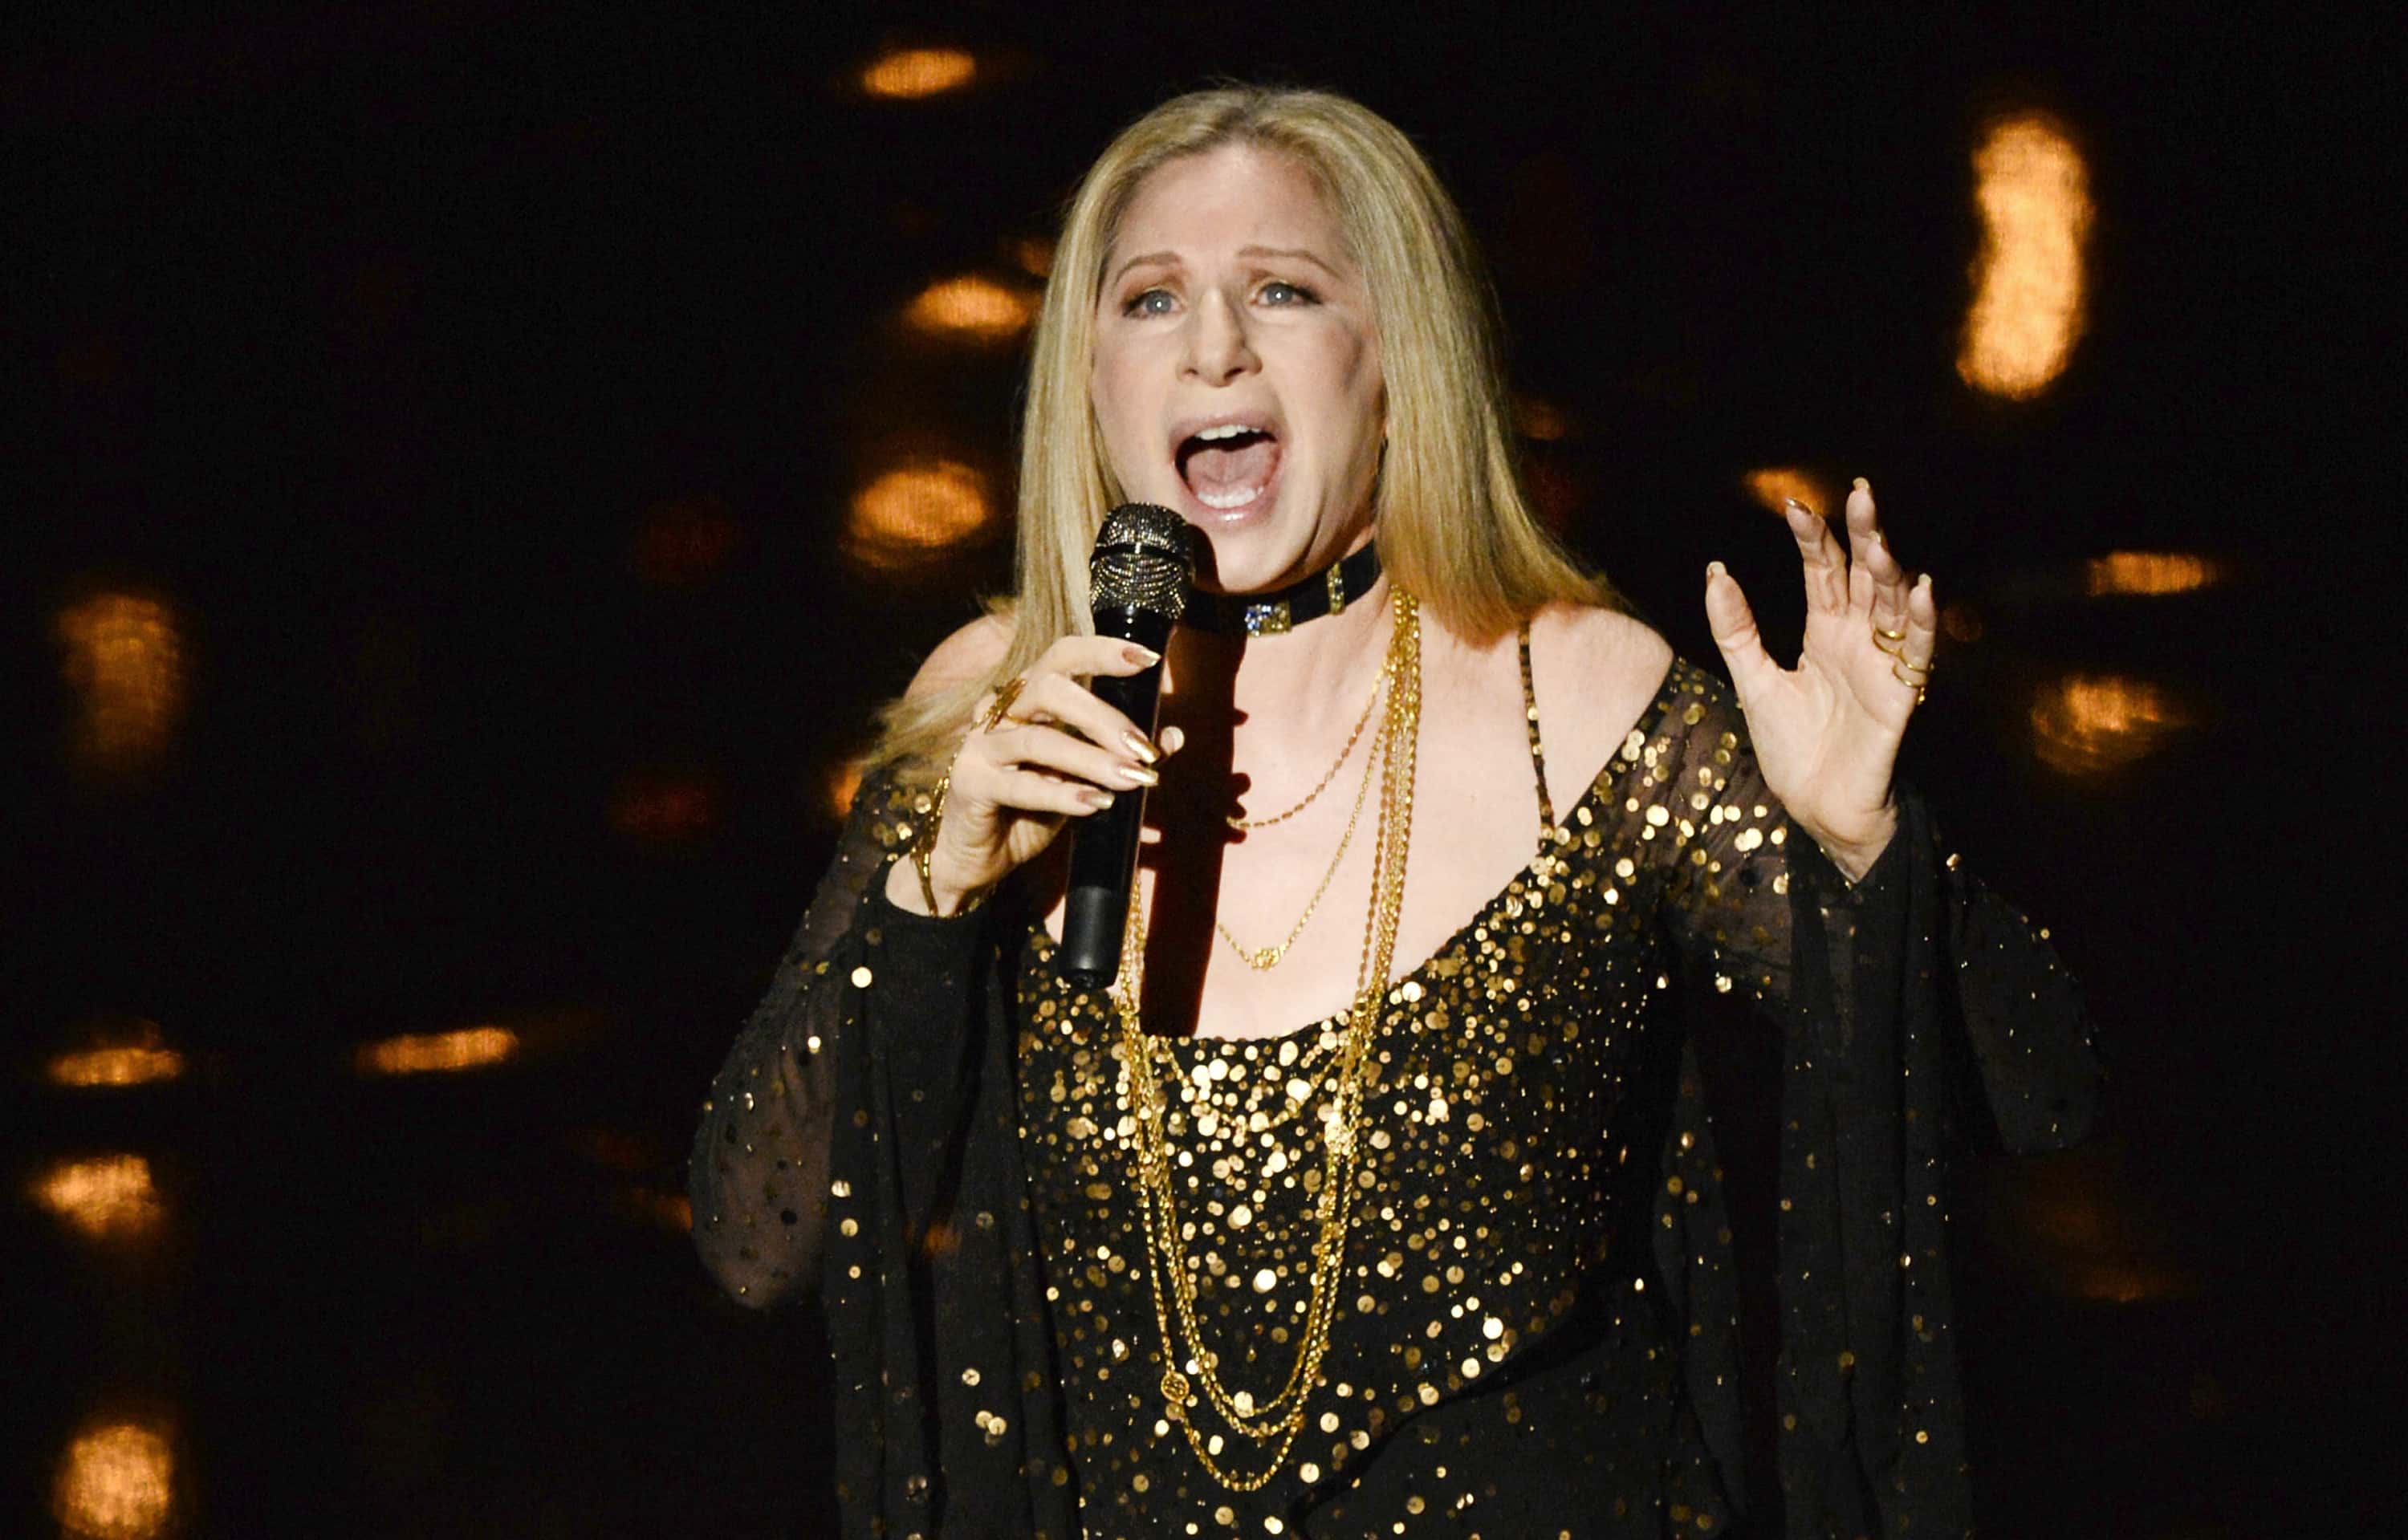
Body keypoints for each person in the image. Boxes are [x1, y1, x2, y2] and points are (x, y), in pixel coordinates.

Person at [688, 86, 2099, 1538]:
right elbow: (759, 1239)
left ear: (1392, 360)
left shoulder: (1583, 699)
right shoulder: (994, 710)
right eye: (1152, 299)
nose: (1214, 345)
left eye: (1282, 291)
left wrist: (1862, 842)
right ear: (1092, 378)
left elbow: (2037, 1094)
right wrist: (937, 893)